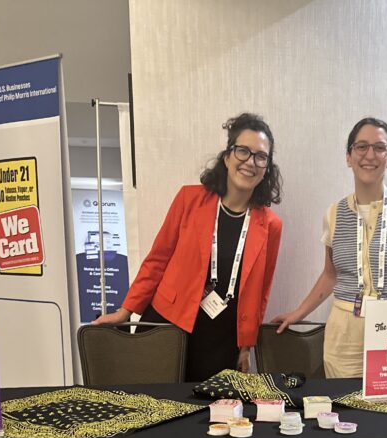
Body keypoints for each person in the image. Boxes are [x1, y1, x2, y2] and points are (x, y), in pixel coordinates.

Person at [93, 113, 283, 381]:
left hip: (222, 339)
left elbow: (261, 291)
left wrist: (246, 345)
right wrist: (126, 311)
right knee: (159, 406)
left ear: (267, 168)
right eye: (243, 151)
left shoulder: (270, 225)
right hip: (169, 325)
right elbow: (157, 259)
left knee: (210, 416)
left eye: (260, 156)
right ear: (228, 157)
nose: (250, 162)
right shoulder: (189, 200)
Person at [272, 117, 387, 377]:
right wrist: (297, 312)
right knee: (345, 411)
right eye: (361, 147)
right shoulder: (334, 214)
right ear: (349, 156)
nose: (370, 155)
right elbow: (330, 275)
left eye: (380, 147)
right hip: (345, 333)